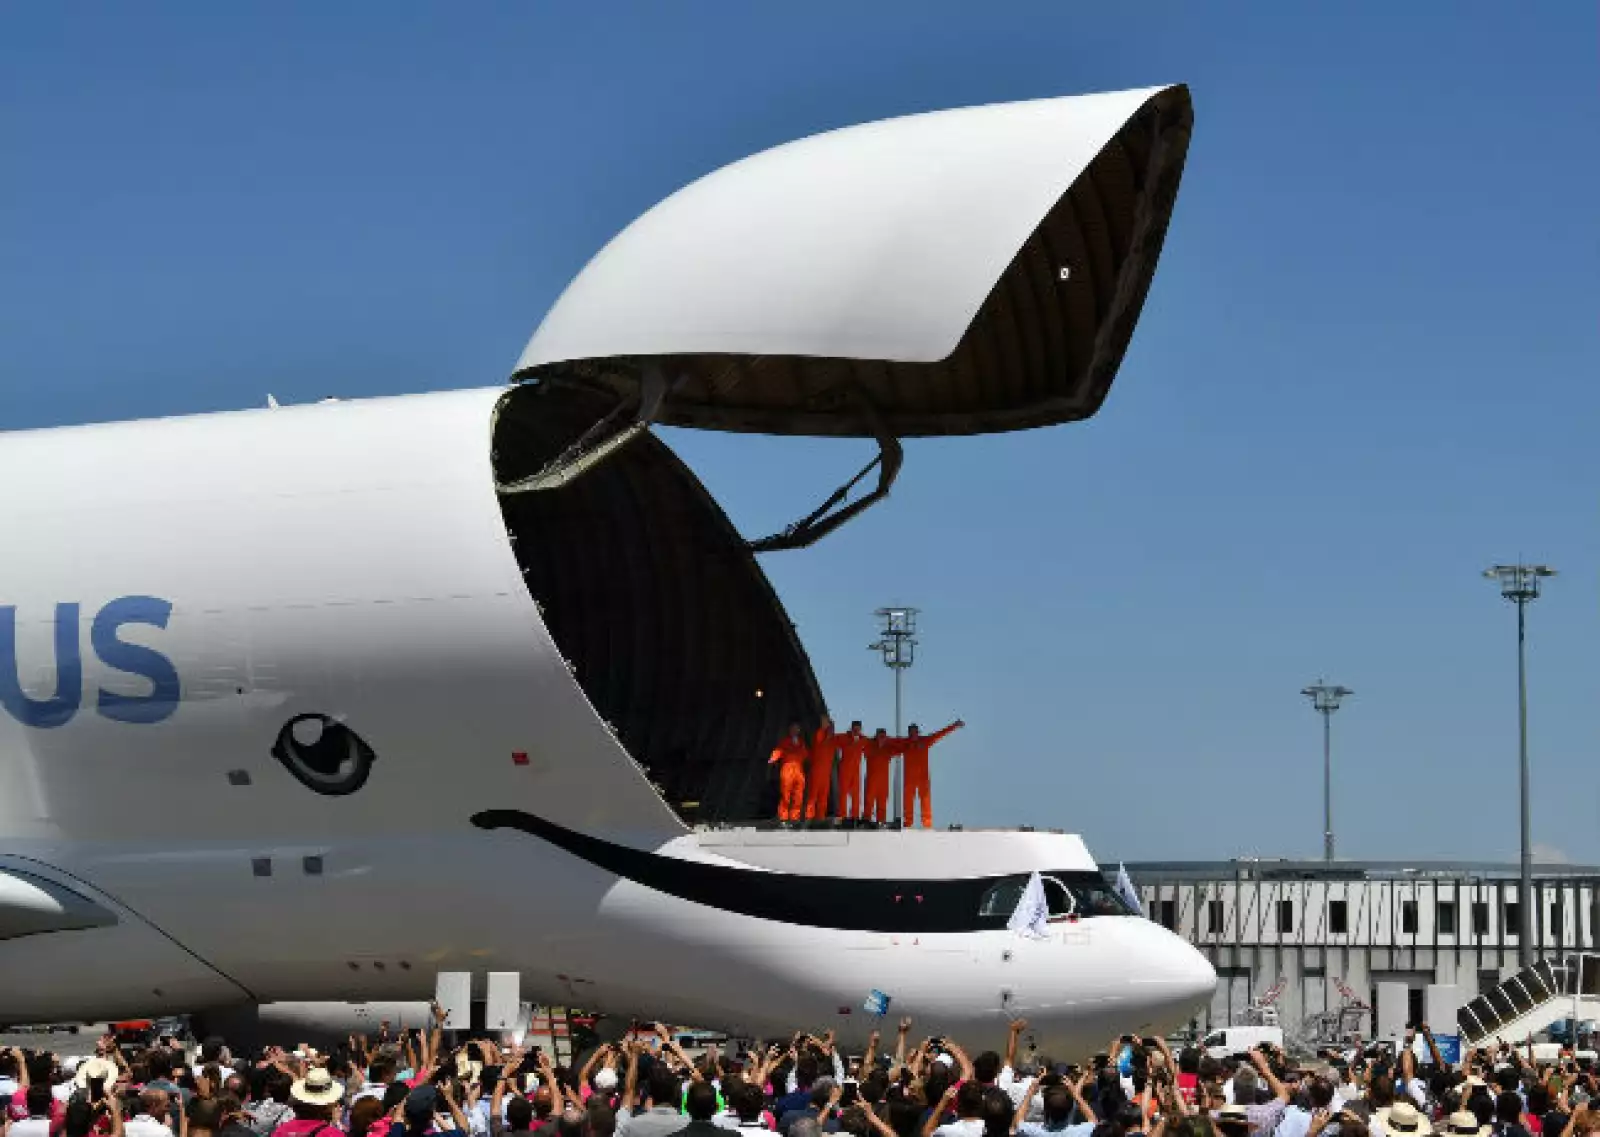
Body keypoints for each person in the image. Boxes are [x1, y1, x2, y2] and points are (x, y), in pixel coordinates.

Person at [896, 721, 963, 830]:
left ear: (918, 732)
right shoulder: (904, 743)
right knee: (908, 800)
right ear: (908, 733)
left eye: (915, 732)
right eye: (911, 732)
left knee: (925, 800)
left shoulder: (925, 741)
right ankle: (908, 823)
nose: (913, 734)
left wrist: (954, 726)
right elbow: (890, 742)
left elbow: (940, 734)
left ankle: (927, 824)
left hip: (923, 778)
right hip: (909, 778)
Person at [770, 724, 809, 822]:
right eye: (793, 728)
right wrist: (772, 759)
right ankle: (783, 817)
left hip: (798, 770)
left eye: (797, 728)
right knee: (785, 794)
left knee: (798, 796)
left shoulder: (801, 742)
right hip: (787, 768)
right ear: (789, 730)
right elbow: (778, 751)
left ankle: (794, 818)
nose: (795, 730)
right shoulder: (784, 741)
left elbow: (806, 755)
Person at [861, 731, 901, 825]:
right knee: (869, 802)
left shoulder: (888, 749)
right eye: (880, 736)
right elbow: (861, 742)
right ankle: (867, 821)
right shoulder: (869, 747)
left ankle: (881, 822)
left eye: (884, 736)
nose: (882, 738)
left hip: (883, 783)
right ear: (876, 737)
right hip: (871, 781)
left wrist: (890, 740)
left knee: (882, 803)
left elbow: (900, 750)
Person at [803, 718, 839, 822]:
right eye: (830, 728)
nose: (831, 731)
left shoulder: (833, 743)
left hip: (826, 776)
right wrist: (824, 726)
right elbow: (819, 734)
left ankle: (820, 820)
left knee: (823, 799)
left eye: (833, 729)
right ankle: (808, 819)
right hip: (816, 773)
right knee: (812, 797)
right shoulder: (819, 738)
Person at [834, 722, 869, 821]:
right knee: (843, 794)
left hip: (856, 771)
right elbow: (833, 740)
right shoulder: (844, 737)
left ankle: (855, 816)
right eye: (855, 729)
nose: (856, 731)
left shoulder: (863, 740)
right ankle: (842, 816)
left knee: (856, 794)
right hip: (844, 769)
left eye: (858, 729)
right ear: (851, 728)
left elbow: (871, 744)